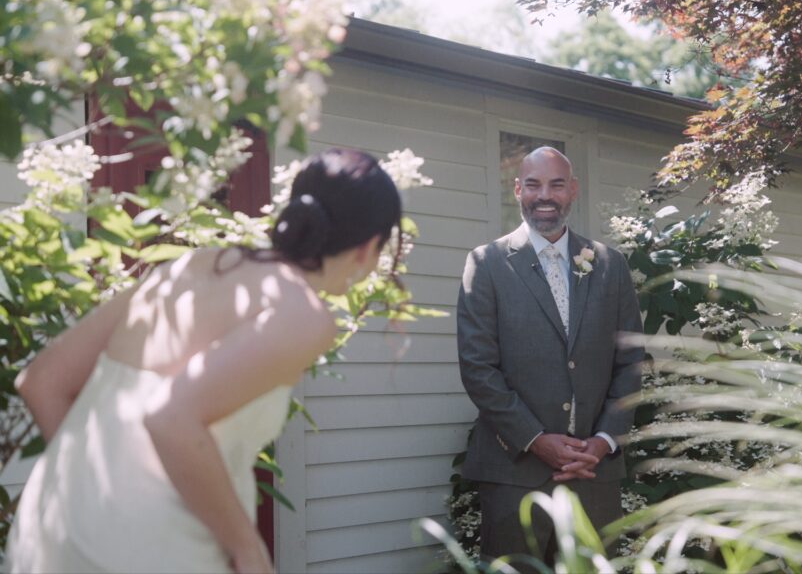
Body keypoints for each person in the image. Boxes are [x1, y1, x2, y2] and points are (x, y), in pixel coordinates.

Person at [4, 148, 402, 573]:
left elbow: (42, 381)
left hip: (47, 534)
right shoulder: (302, 313)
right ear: (366, 248)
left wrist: (89, 493)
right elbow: (170, 418)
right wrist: (248, 547)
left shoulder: (194, 265)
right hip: (150, 551)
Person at [457, 146, 644, 562]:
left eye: (557, 184)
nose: (546, 195)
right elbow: (477, 368)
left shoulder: (610, 266)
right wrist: (536, 440)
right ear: (518, 189)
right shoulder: (486, 264)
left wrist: (602, 441)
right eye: (535, 185)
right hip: (514, 475)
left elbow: (631, 362)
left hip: (594, 473)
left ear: (572, 190)